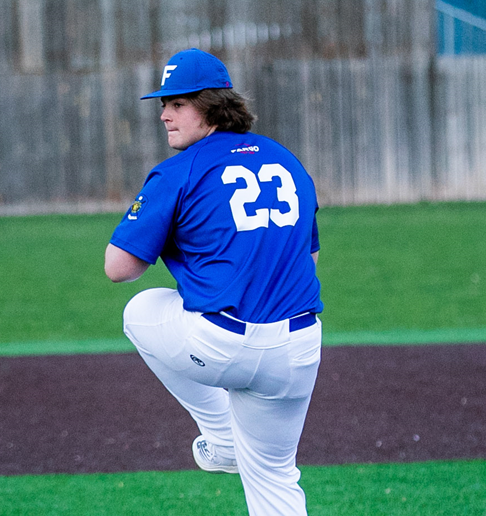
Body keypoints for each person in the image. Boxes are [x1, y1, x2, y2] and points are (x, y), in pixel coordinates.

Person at [104, 48, 323, 516]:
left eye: (177, 103)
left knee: (140, 311)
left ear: (212, 104)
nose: (163, 114)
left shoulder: (178, 171)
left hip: (221, 343)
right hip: (300, 348)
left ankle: (221, 436)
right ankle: (228, 445)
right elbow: (311, 254)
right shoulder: (285, 159)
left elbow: (118, 267)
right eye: (163, 103)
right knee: (275, 477)